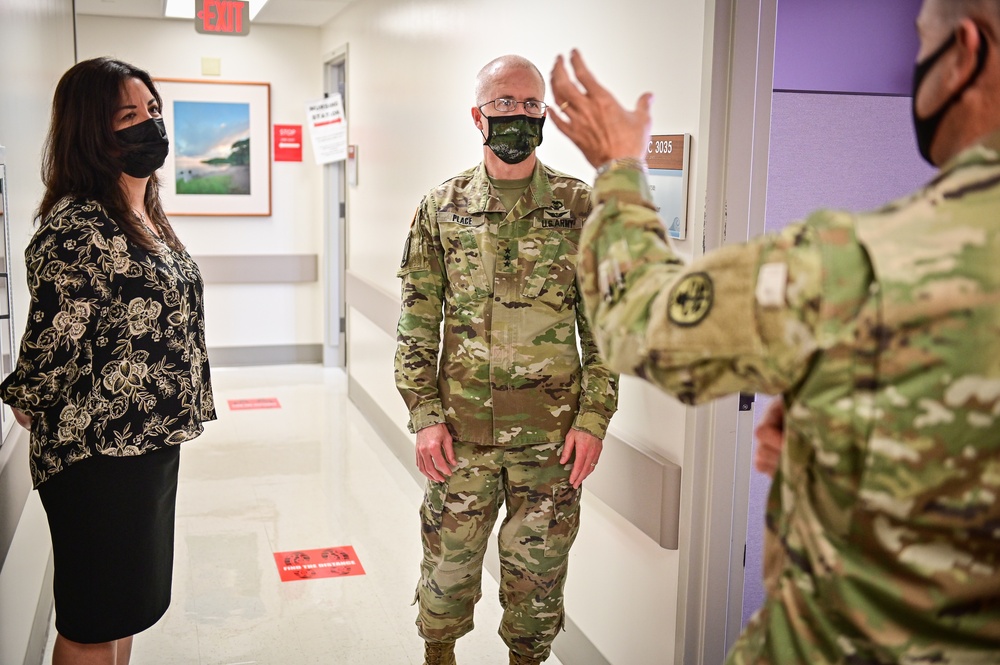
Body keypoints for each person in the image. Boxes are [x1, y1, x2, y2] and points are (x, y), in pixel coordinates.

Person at [548, 0, 1000, 659]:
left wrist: (619, 167)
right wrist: (846, 404)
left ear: (964, 52)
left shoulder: (858, 266)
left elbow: (637, 320)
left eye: (920, 37)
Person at [394, 54, 619, 665]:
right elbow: (417, 321)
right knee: (445, 582)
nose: (518, 116)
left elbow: (606, 333)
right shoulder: (441, 207)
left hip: (552, 448)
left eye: (530, 105)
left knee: (535, 594)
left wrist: (594, 421)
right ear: (478, 116)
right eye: (504, 104)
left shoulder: (579, 208)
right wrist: (424, 415)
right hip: (460, 439)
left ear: (543, 115)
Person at [0, 57, 216, 665]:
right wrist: (26, 396)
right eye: (129, 116)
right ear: (91, 132)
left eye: (153, 111)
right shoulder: (77, 230)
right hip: (96, 458)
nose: (149, 126)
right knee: (93, 619)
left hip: (146, 442)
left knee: (125, 610)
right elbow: (50, 348)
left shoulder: (145, 218)